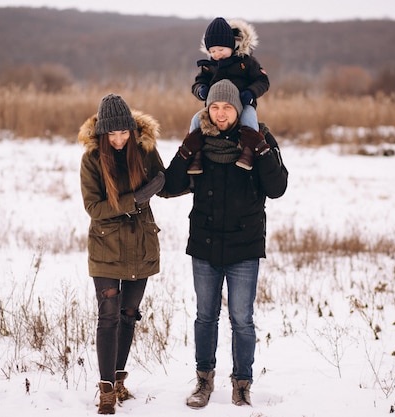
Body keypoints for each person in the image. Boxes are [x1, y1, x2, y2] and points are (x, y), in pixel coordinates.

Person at [162, 79, 288, 408]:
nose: (220, 114)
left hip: (244, 246)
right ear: (207, 110)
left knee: (242, 318)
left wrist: (260, 148)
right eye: (214, 107)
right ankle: (204, 381)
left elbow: (277, 188)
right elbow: (170, 184)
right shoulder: (200, 142)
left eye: (227, 107)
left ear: (238, 110)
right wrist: (186, 149)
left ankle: (242, 384)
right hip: (204, 244)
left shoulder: (258, 138)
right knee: (205, 317)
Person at [77, 93, 165, 415]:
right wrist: (137, 198)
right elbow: (93, 208)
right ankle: (105, 390)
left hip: (140, 246)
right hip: (106, 248)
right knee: (109, 315)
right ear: (101, 133)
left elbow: (164, 184)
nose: (117, 140)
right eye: (111, 134)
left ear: (131, 130)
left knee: (128, 315)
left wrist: (192, 164)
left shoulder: (144, 151)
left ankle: (118, 379)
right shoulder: (91, 159)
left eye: (123, 132)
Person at [185, 17, 270, 174]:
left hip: (244, 104)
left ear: (232, 45)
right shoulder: (209, 66)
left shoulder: (246, 62)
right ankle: (195, 155)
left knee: (249, 119)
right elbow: (197, 83)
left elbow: (262, 80)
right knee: (196, 120)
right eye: (212, 51)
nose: (217, 55)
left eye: (221, 50)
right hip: (215, 108)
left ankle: (248, 152)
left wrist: (251, 93)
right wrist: (201, 90)